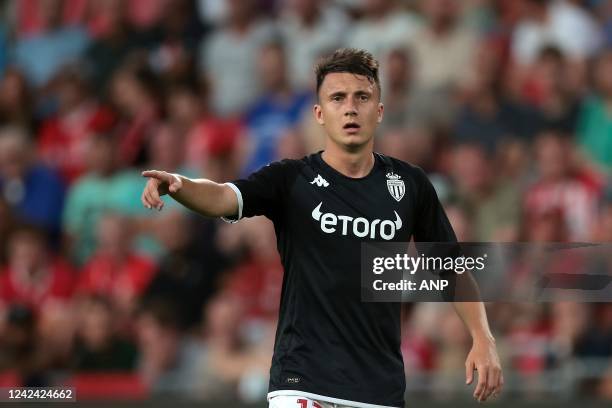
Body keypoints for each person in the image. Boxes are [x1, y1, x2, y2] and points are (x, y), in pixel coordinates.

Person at [141, 48, 503, 407]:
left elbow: (450, 268)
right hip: (303, 380)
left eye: (362, 97)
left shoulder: (410, 184)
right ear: (319, 113)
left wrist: (482, 337)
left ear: (379, 111)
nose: (350, 107)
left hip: (378, 388)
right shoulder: (291, 178)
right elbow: (223, 196)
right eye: (337, 98)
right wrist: (179, 184)